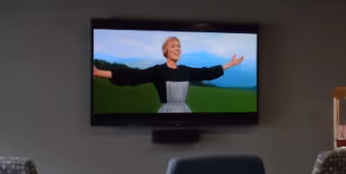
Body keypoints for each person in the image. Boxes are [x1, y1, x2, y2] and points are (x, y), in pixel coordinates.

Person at [93, 37, 244, 113]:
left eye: (179, 46)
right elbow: (133, 76)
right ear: (166, 51)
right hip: (166, 114)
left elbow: (207, 72)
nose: (177, 49)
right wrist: (99, 72)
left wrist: (229, 64)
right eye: (173, 46)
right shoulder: (158, 71)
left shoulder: (186, 70)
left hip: (185, 113)